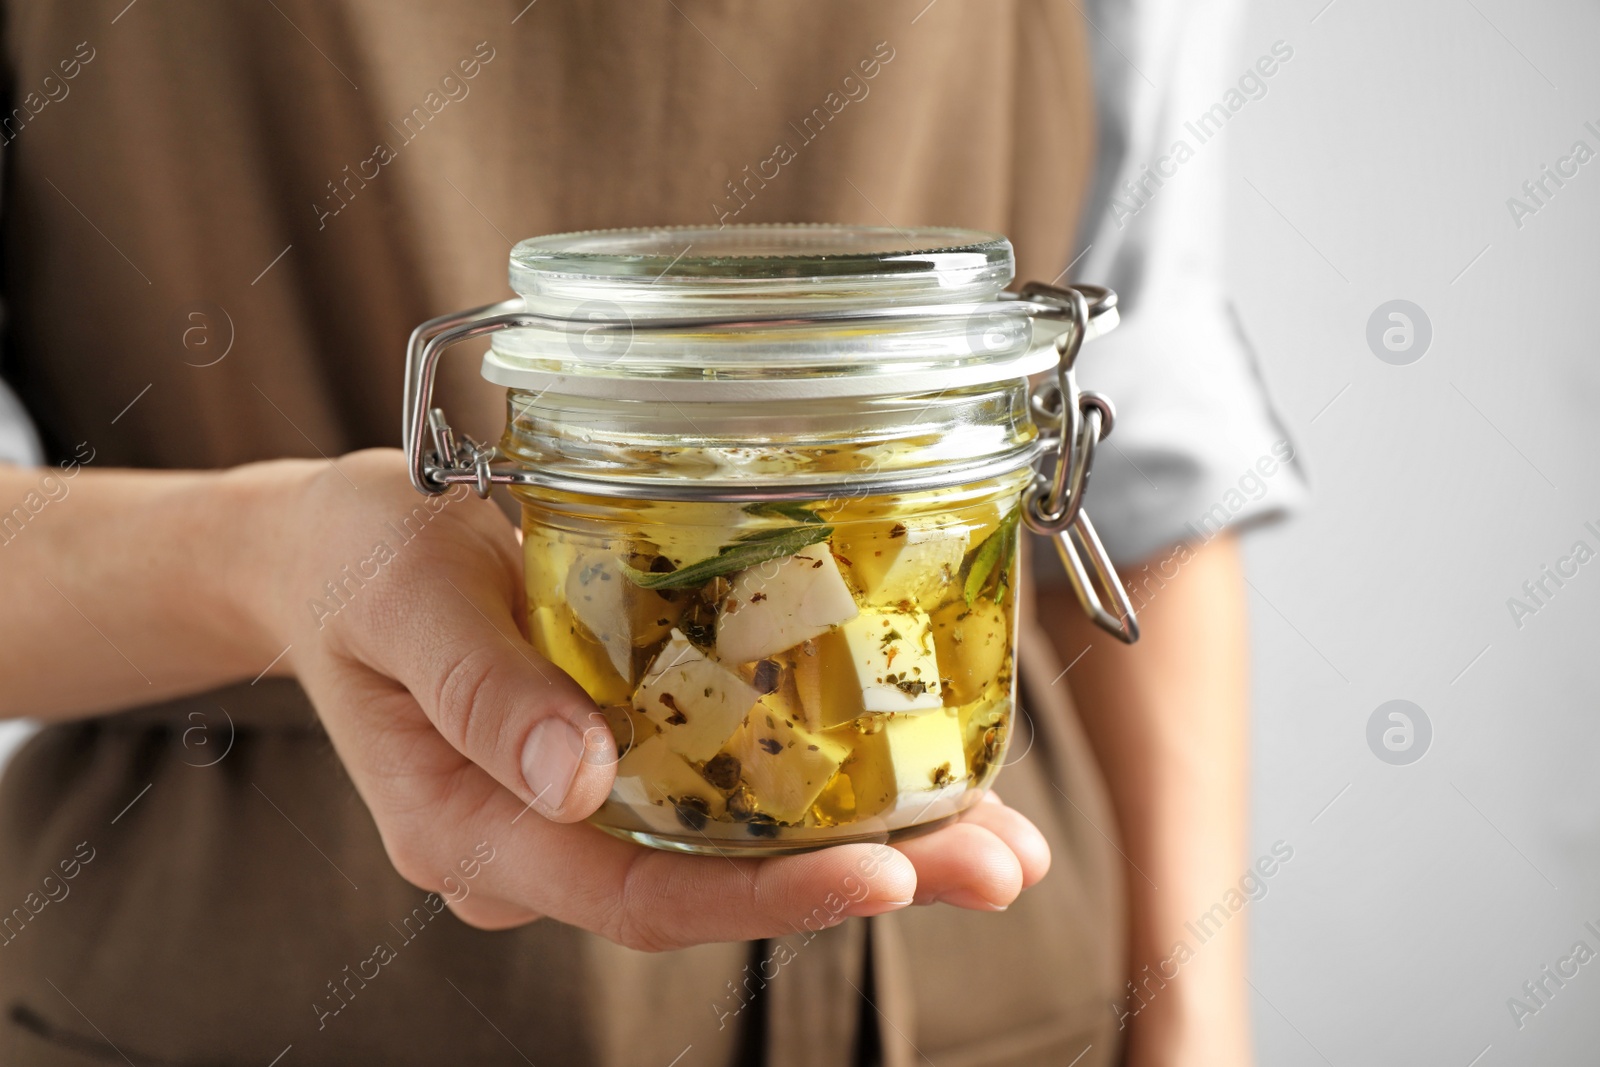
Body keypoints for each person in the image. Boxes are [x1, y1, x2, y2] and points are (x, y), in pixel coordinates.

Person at [0, 2, 1301, 1064]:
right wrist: (266, 558)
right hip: (255, 986)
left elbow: (1148, 465)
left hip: (992, 1006)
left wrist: (1191, 1023)